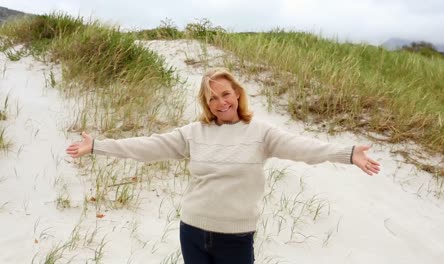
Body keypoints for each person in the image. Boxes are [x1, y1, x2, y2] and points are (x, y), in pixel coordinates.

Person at [66, 67, 380, 264]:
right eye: (212, 98)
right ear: (207, 104)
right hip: (192, 231)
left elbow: (303, 148)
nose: (221, 102)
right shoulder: (194, 133)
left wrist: (347, 153)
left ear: (237, 94)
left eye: (225, 94)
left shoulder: (261, 133)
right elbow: (148, 146)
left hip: (236, 237)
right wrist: (97, 146)